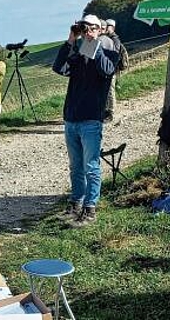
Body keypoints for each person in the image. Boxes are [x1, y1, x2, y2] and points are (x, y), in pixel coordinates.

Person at [52, 14, 116, 226]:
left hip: (91, 119)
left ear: (100, 30)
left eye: (92, 29)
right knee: (75, 166)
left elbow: (107, 70)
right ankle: (75, 204)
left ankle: (90, 209)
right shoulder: (77, 58)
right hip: (72, 118)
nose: (87, 32)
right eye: (85, 28)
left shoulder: (108, 53)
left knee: (91, 166)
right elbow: (58, 67)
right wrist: (71, 39)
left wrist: (95, 46)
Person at [104, 18, 128, 122]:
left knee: (110, 91)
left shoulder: (115, 39)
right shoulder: (107, 38)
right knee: (106, 91)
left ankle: (111, 113)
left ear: (112, 27)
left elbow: (115, 54)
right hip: (108, 69)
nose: (105, 27)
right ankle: (106, 112)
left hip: (112, 69)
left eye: (107, 26)